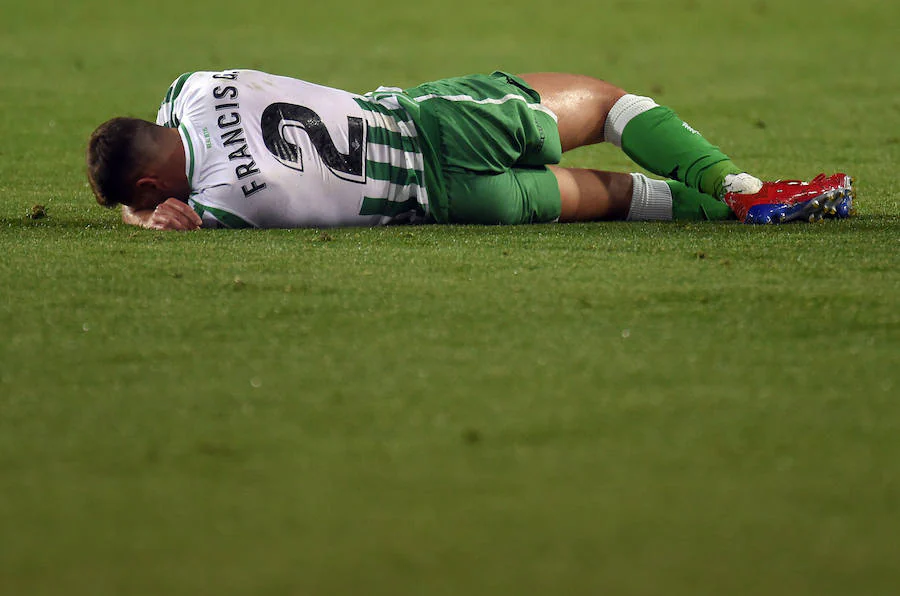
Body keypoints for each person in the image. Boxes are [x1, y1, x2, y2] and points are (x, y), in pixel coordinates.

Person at [85, 69, 853, 230]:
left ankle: (727, 216)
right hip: (438, 123)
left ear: (153, 187)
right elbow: (176, 126)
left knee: (617, 199)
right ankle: (744, 185)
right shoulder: (191, 85)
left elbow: (176, 199)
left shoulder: (220, 207)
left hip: (453, 204)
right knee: (617, 107)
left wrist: (144, 221)